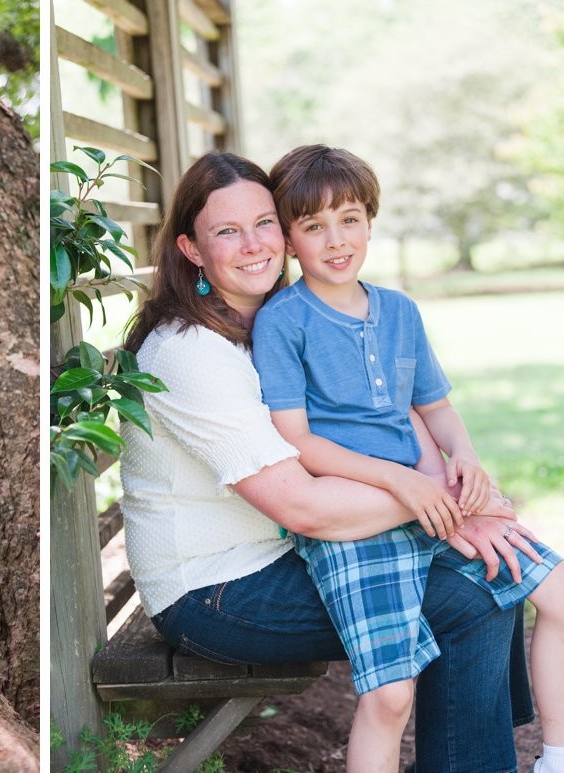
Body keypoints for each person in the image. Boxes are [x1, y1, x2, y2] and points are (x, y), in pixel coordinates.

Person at [120, 149, 542, 773]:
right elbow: (303, 505)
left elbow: (394, 415)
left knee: (490, 570)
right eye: (226, 232)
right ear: (190, 249)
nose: (254, 244)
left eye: (265, 223)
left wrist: (454, 496)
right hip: (214, 591)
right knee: (478, 592)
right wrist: (449, 507)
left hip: (277, 555)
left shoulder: (267, 323)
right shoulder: (188, 353)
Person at [251, 143, 564, 773]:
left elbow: (435, 408)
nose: (336, 240)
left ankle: (554, 757)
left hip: (433, 497)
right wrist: (404, 484)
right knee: (390, 696)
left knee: (555, 590)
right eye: (313, 226)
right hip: (355, 519)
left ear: (370, 220)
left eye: (349, 219)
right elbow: (299, 439)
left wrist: (466, 458)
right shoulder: (283, 322)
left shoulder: (399, 311)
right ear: (288, 240)